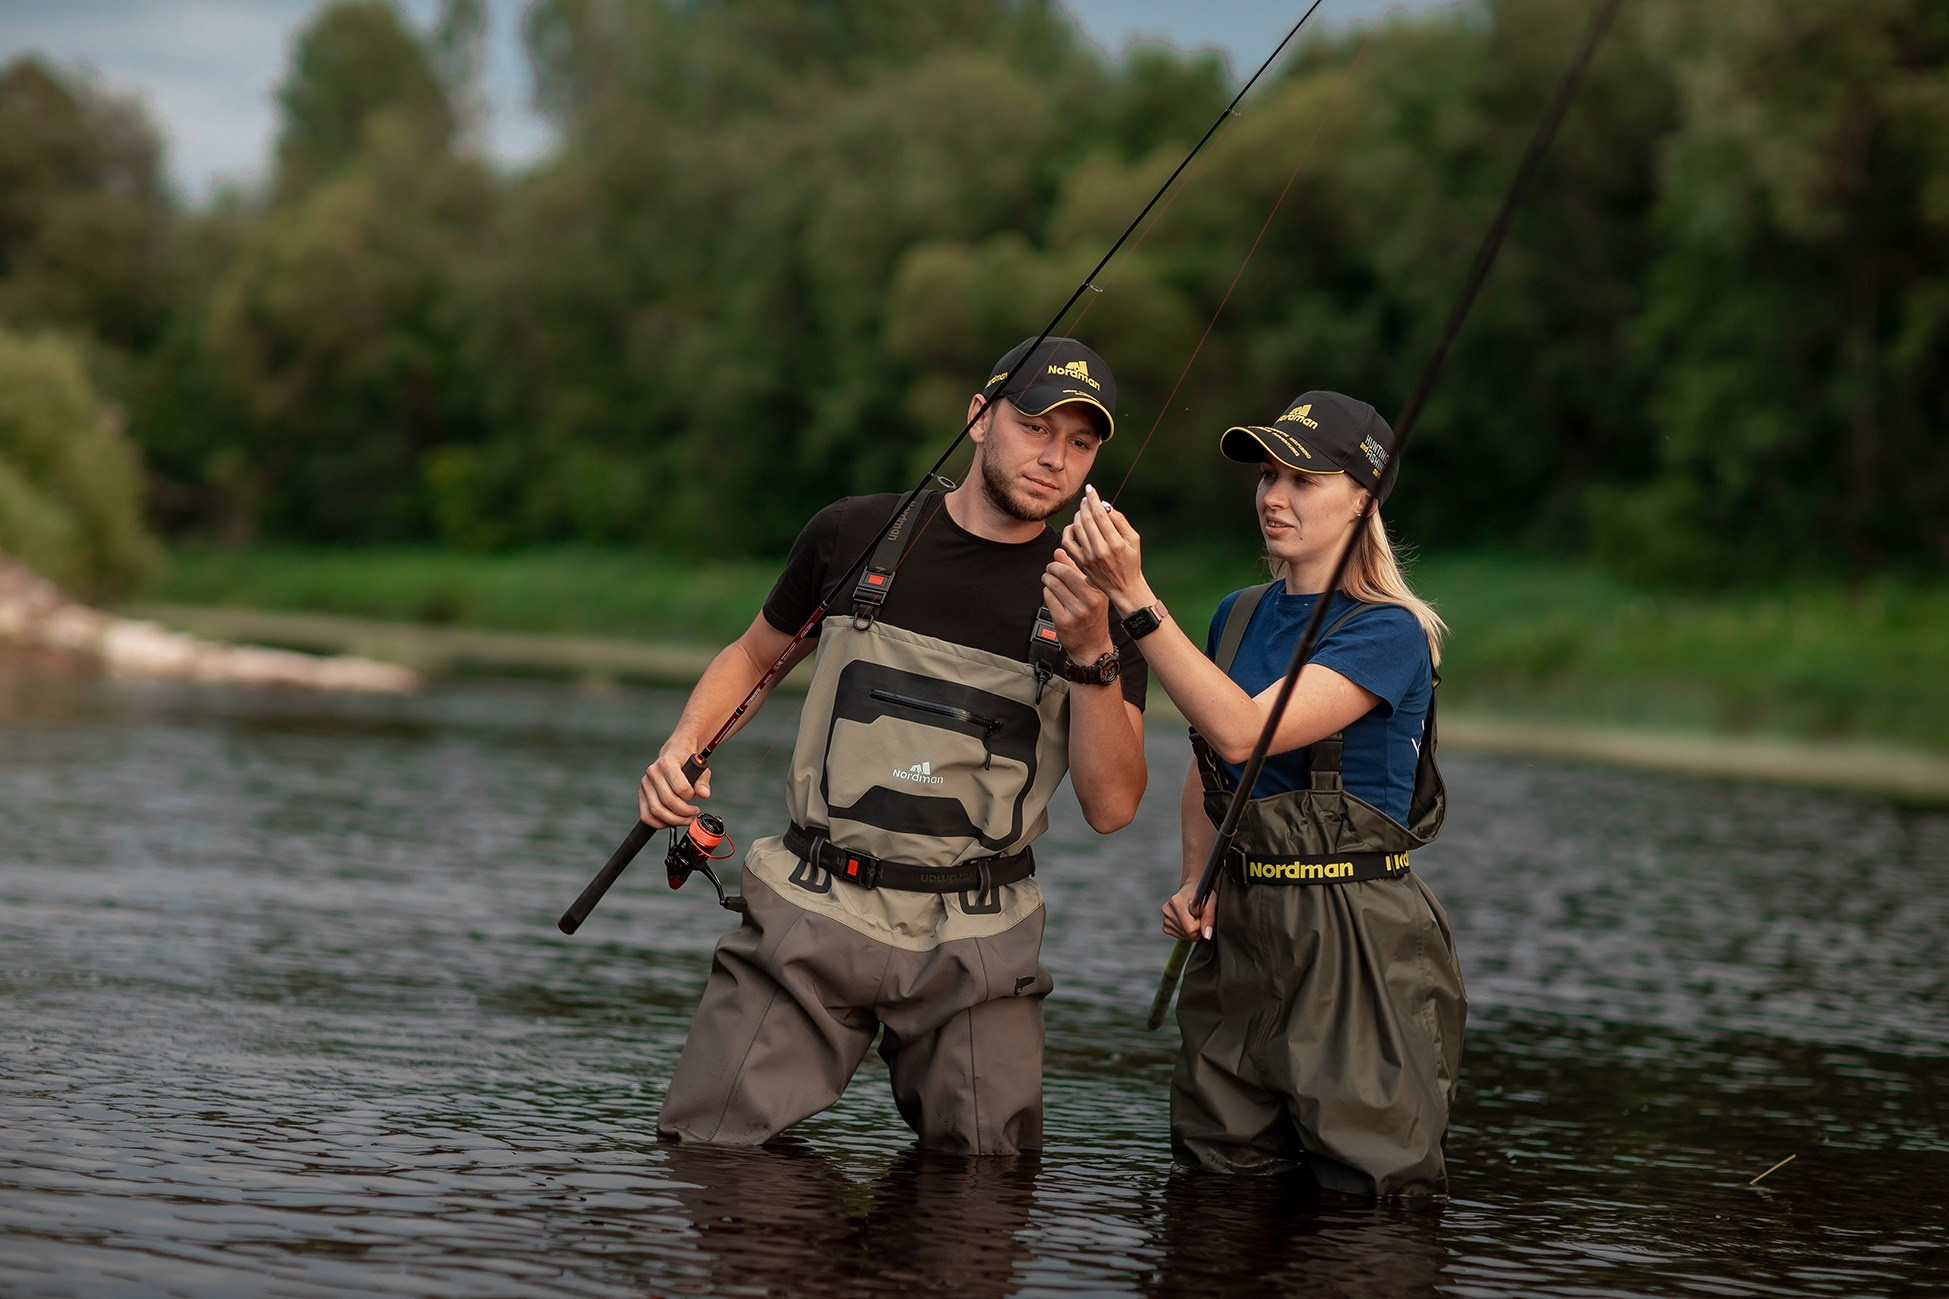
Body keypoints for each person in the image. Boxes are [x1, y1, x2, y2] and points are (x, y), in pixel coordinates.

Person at [639, 336, 1149, 1155]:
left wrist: (1092, 648)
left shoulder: (1104, 597)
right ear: (979, 418)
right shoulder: (852, 534)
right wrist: (684, 745)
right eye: (1034, 426)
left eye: (1080, 443)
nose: (1055, 458)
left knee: (982, 1199)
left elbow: (1114, 805)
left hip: (979, 939)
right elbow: (752, 657)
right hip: (810, 906)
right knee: (708, 1158)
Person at [1061, 390, 1464, 1196]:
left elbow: (1247, 729)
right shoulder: (1236, 615)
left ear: (1363, 497)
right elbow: (1212, 761)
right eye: (1267, 476)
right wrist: (1191, 878)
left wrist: (1133, 599)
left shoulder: (1389, 631)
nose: (1272, 497)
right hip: (1236, 929)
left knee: (1366, 1197)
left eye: (1302, 479)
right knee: (1216, 1184)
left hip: (1355, 939)